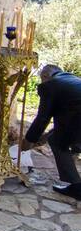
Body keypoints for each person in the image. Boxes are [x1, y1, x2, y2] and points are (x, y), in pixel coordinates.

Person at [23, 62, 81, 199]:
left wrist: (29, 140)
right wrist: (42, 137)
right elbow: (68, 118)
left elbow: (43, 118)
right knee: (62, 136)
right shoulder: (71, 79)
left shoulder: (49, 85)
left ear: (45, 76)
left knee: (56, 141)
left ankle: (77, 188)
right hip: (76, 122)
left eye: (41, 79)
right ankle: (76, 149)